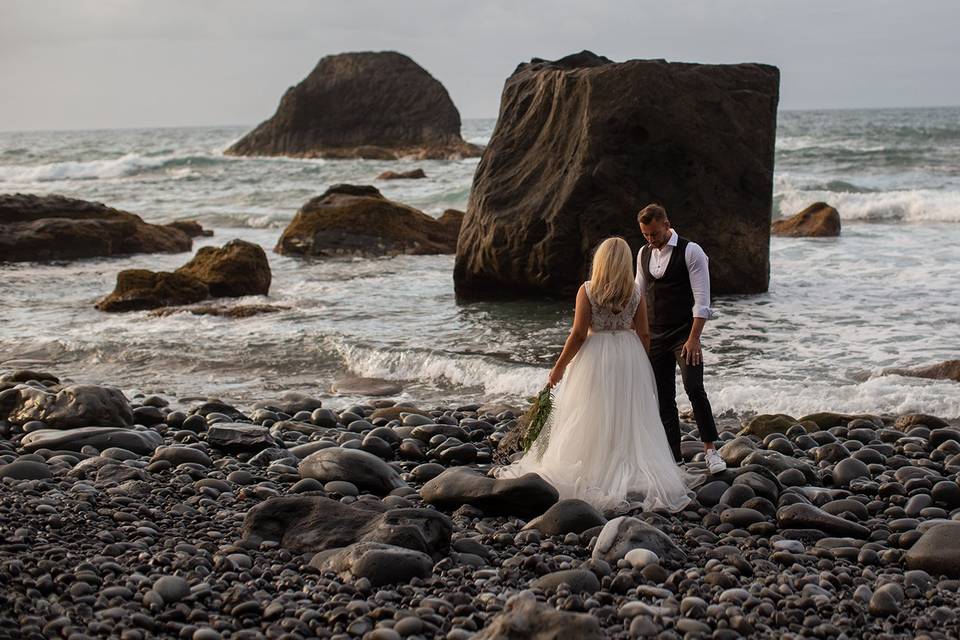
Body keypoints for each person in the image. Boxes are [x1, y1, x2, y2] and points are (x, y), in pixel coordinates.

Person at [494, 237, 703, 515]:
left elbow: (579, 334)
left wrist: (559, 367)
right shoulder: (636, 292)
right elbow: (643, 333)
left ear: (600, 262)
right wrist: (641, 363)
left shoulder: (587, 291)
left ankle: (594, 466)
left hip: (595, 355)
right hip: (629, 355)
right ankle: (626, 466)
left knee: (590, 412)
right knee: (628, 415)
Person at [635, 203, 726, 474]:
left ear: (666, 224)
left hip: (684, 335)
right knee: (663, 397)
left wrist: (694, 339)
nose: (651, 240)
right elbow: (638, 296)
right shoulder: (642, 253)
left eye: (654, 234)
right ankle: (674, 458)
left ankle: (711, 451)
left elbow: (702, 302)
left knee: (694, 388)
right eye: (645, 235)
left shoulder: (691, 251)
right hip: (655, 335)